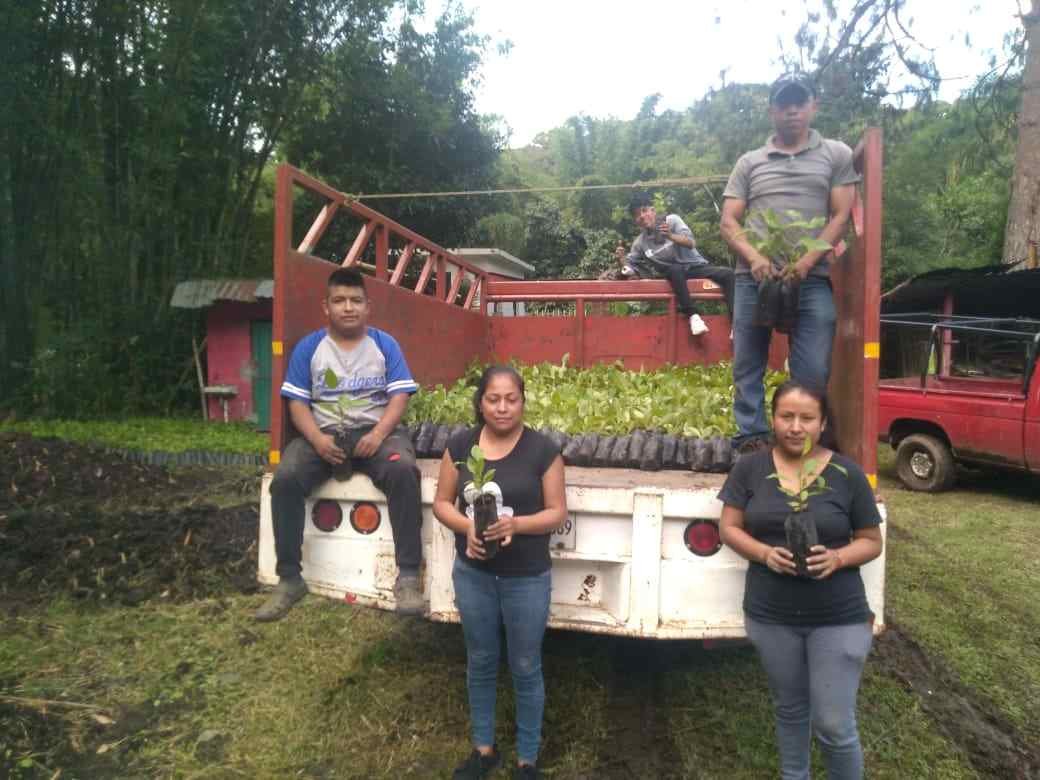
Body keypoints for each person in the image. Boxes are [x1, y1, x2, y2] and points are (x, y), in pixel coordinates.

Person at [717, 381, 883, 780]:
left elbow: (871, 541)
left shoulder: (847, 472)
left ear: (823, 423)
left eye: (806, 418)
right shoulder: (750, 468)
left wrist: (838, 557)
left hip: (838, 614)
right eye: (786, 416)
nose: (795, 426)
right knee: (789, 709)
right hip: (771, 613)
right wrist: (764, 553)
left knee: (833, 724)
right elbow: (729, 527)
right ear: (772, 419)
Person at [255, 267, 423, 621]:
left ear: (368, 306)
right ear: (326, 307)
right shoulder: (310, 349)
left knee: (404, 470)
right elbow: (296, 403)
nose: (348, 307)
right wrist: (316, 439)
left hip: (376, 434)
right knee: (285, 479)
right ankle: (289, 580)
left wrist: (377, 435)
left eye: (356, 301)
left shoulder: (384, 344)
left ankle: (408, 577)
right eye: (340, 300)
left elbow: (399, 398)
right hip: (324, 437)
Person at [432, 365, 567, 780]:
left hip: (526, 577)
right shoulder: (460, 446)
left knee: (526, 664)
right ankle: (484, 750)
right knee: (482, 660)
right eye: (493, 399)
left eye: (512, 399)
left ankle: (527, 761)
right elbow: (442, 503)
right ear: (480, 403)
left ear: (523, 402)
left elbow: (557, 512)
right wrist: (467, 528)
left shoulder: (543, 450)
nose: (503, 408)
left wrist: (517, 525)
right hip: (473, 575)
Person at [720, 74, 860, 454]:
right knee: (747, 361)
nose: (792, 110)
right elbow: (729, 221)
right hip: (754, 279)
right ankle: (751, 435)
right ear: (772, 111)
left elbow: (840, 215)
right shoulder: (750, 163)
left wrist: (806, 261)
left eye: (800, 102)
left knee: (812, 368)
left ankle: (800, 437)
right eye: (784, 103)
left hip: (811, 277)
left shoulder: (836, 154)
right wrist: (754, 258)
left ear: (814, 105)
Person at [615, 194, 735, 336]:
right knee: (674, 269)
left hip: (695, 267)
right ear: (636, 221)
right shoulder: (640, 243)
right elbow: (629, 268)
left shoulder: (672, 221)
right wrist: (621, 258)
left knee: (729, 274)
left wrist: (670, 236)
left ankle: (736, 325)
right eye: (637, 215)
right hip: (674, 275)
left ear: (652, 210)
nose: (641, 216)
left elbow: (690, 243)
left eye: (644, 210)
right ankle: (693, 316)